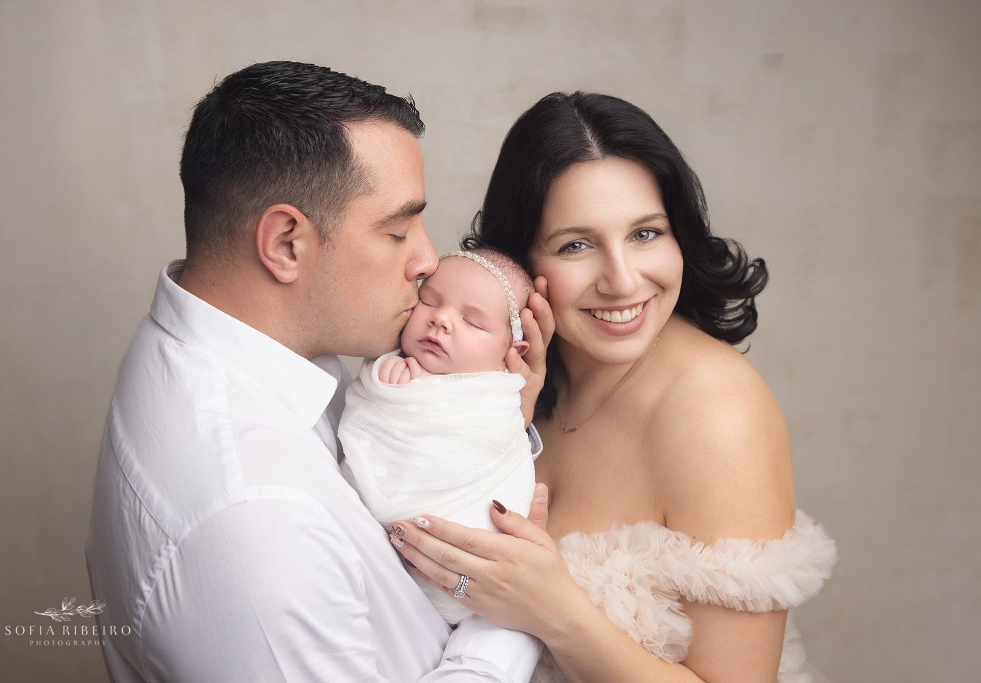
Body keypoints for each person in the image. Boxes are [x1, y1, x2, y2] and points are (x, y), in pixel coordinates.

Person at [85, 61, 554, 682]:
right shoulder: (254, 522)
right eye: (396, 230)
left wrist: (492, 415)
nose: (425, 259)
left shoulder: (226, 349)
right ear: (285, 243)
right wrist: (514, 611)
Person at [389, 92, 837, 682]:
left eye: (646, 234)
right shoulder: (485, 374)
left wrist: (556, 613)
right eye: (576, 245)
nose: (623, 281)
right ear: (521, 260)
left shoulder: (716, 413)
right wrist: (507, 416)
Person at [340, 249, 537, 623]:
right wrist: (387, 378)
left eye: (473, 322)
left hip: (464, 573)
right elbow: (368, 416)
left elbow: (485, 453)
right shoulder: (390, 363)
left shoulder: (496, 404)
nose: (441, 320)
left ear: (511, 353)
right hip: (368, 555)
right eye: (428, 301)